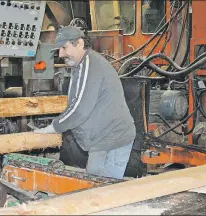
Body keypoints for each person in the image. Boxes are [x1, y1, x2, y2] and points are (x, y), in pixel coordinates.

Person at [33, 26, 136, 179]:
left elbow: (80, 110)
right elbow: (75, 103)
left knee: (102, 192)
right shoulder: (79, 66)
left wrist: (53, 127)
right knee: (93, 184)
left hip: (113, 140)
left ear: (79, 44)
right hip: (102, 140)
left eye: (64, 47)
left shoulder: (89, 64)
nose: (60, 54)